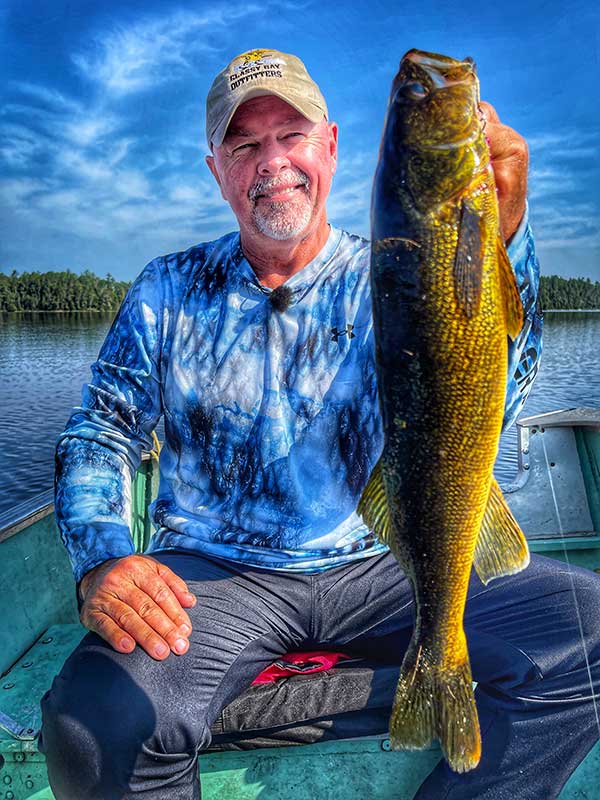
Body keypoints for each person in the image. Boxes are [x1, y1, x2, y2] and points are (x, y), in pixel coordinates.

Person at [40, 49, 600, 799]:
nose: (272, 161)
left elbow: (501, 389)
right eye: (245, 144)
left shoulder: (397, 269)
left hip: (388, 558)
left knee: (591, 632)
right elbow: (101, 431)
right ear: (217, 171)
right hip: (216, 575)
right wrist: (102, 557)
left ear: (330, 147)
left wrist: (507, 238)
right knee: (94, 726)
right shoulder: (166, 290)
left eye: (291, 134)